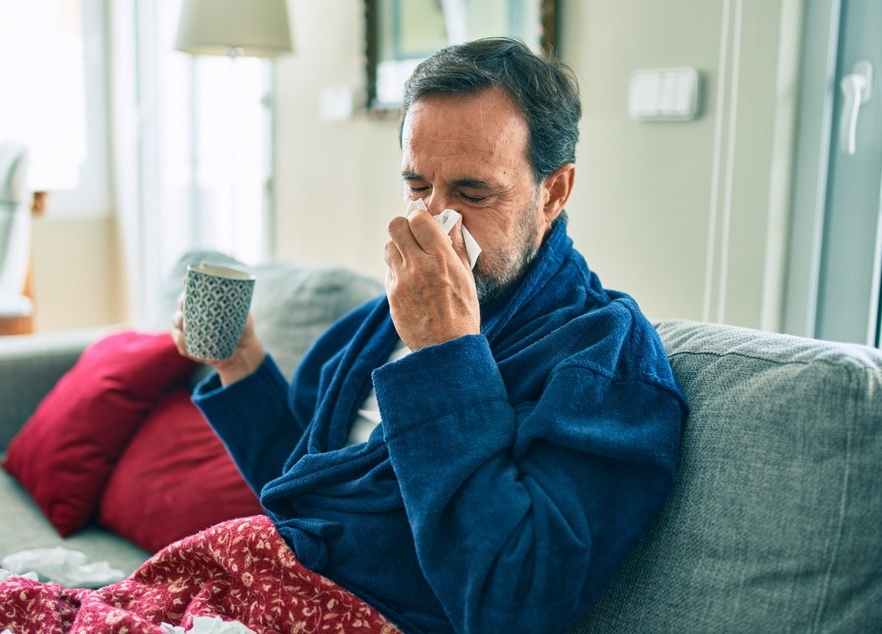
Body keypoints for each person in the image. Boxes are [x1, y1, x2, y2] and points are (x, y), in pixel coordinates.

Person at [173, 36, 687, 633]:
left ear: (554, 192)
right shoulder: (380, 320)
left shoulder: (603, 357)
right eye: (418, 188)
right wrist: (241, 362)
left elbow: (513, 600)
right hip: (249, 587)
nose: (434, 221)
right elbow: (307, 496)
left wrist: (445, 354)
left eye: (473, 193)